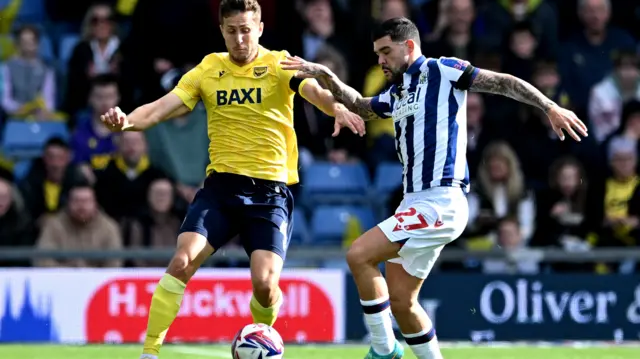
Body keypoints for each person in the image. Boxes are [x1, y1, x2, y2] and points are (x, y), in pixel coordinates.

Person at [282, 17, 588, 359]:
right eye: (376, 53)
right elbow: (360, 106)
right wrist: (326, 75)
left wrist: (550, 106)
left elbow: (502, 83)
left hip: (441, 201)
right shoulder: (397, 92)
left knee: (359, 254)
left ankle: (384, 350)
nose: (380, 60)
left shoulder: (443, 71)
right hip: (415, 204)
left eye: (386, 51)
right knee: (401, 301)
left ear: (409, 46)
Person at [100, 1, 364, 358]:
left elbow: (311, 90)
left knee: (265, 285)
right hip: (222, 188)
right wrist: (127, 121)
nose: (239, 39)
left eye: (245, 30)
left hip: (270, 192)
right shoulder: (209, 68)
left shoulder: (279, 63)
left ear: (259, 28)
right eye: (231, 31)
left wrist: (337, 106)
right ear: (222, 31)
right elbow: (162, 107)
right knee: (182, 260)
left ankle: (263, 337)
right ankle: (150, 351)